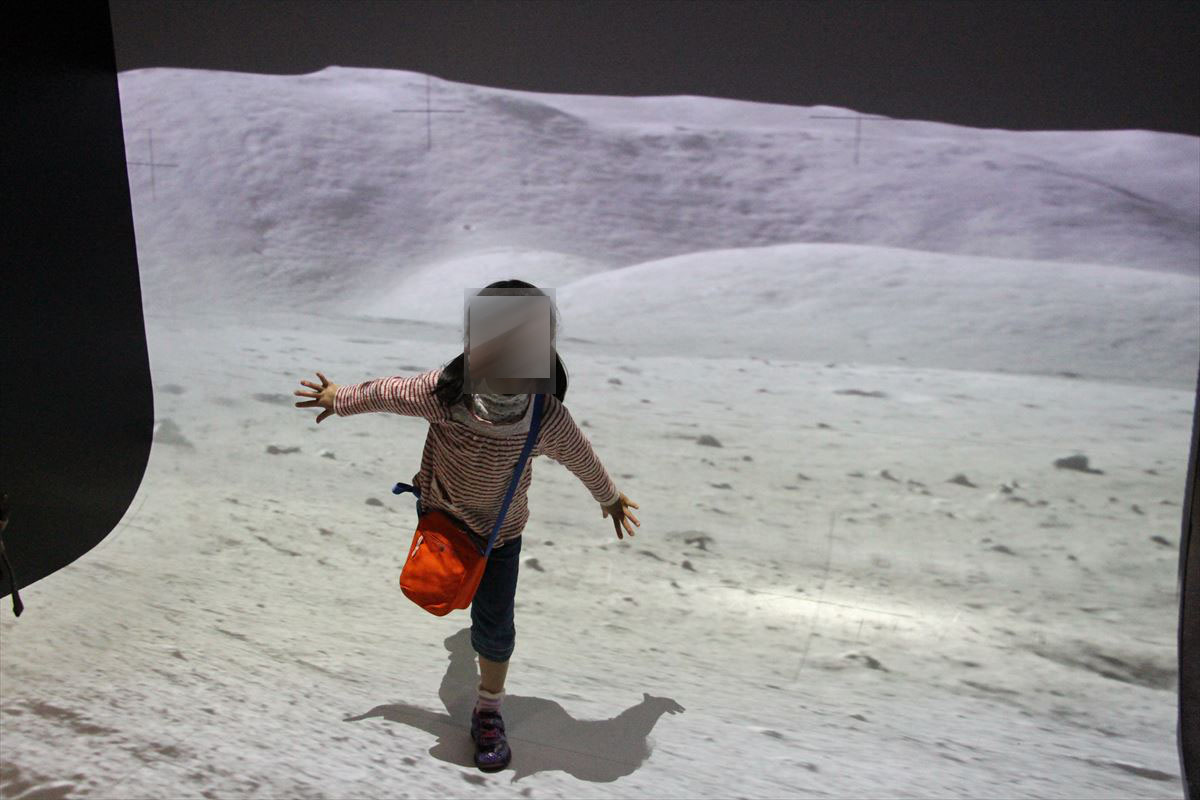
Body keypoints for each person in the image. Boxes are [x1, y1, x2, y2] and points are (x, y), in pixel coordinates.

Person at [293, 280, 640, 771]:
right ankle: (464, 650)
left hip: (500, 536)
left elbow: (581, 456)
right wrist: (338, 397)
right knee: (439, 594)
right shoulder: (446, 394)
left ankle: (488, 711)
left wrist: (609, 497)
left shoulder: (544, 416)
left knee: (494, 628)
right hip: (442, 521)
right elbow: (386, 392)